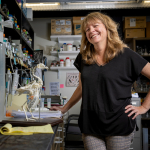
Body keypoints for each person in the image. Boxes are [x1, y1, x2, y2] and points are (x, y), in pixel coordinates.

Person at [50, 12, 150, 150]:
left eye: (95, 26)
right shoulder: (84, 57)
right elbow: (81, 87)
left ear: (107, 28)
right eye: (87, 29)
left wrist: (144, 107)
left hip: (119, 124)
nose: (91, 30)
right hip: (90, 124)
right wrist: (64, 109)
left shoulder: (126, 55)